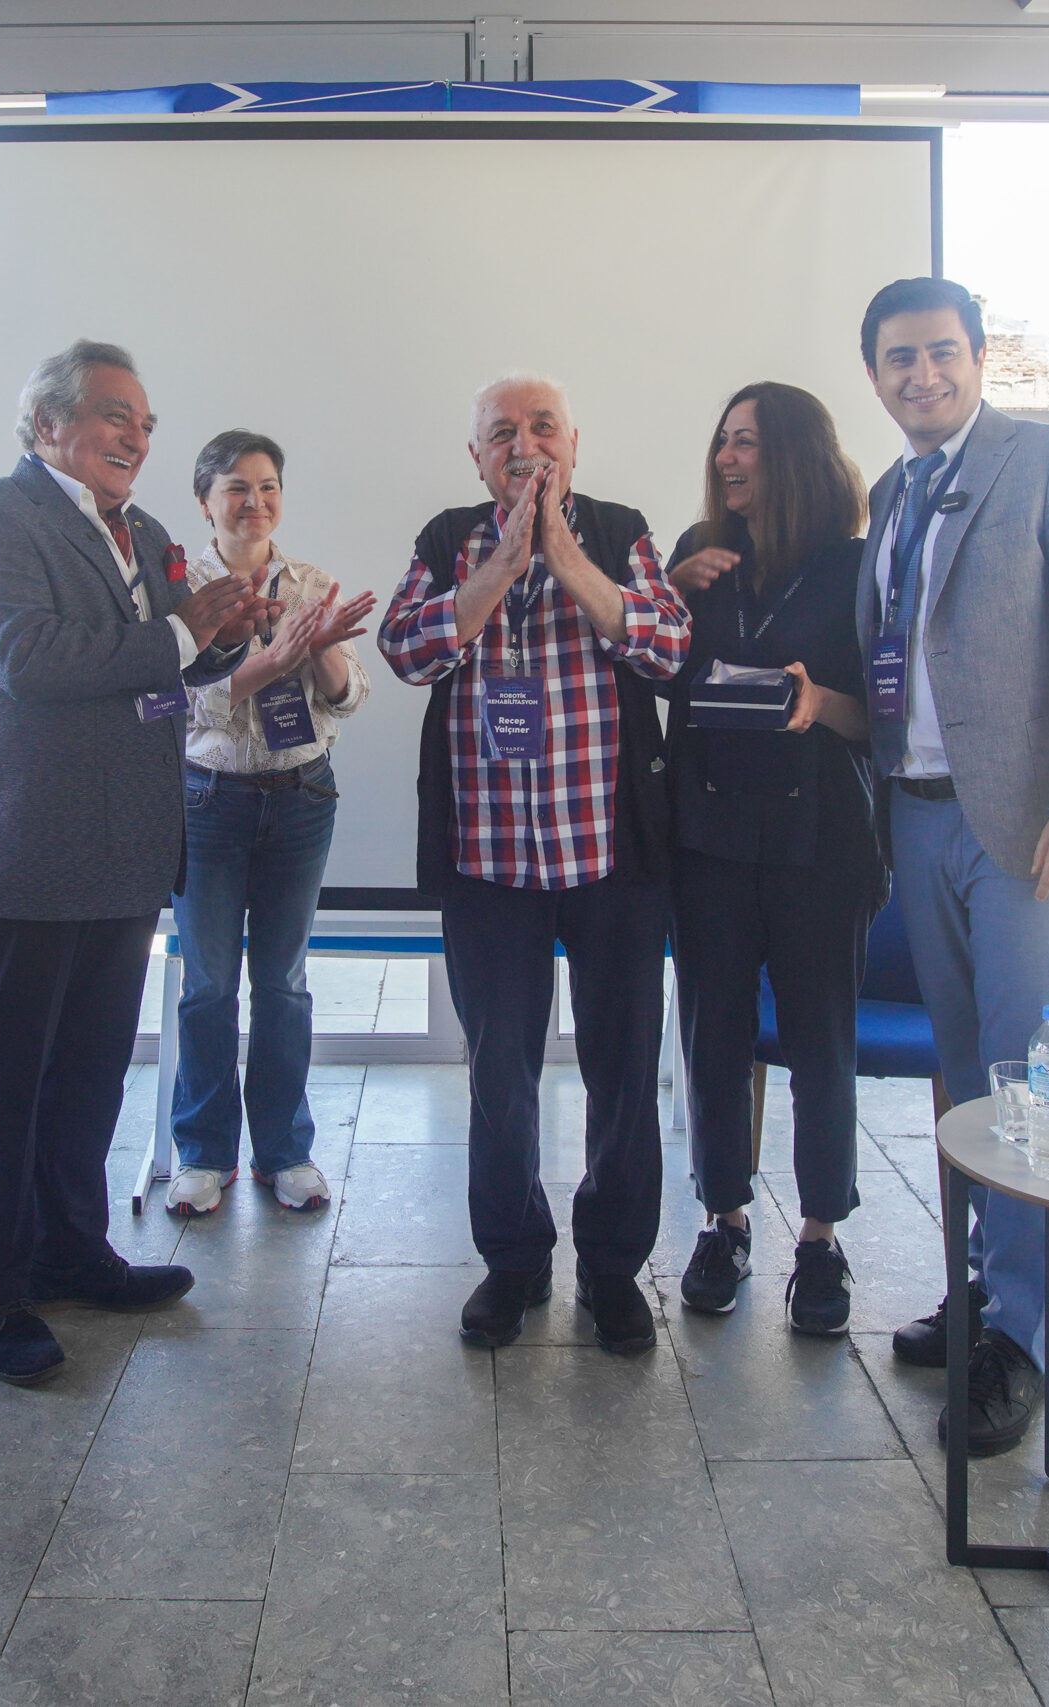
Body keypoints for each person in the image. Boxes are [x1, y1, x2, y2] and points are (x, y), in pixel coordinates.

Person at [0, 340, 273, 1386]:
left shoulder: (148, 532)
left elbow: (164, 670)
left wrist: (225, 633)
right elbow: (27, 659)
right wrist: (184, 633)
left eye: (146, 423)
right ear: (48, 424)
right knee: (6, 1087)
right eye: (116, 416)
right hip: (22, 848)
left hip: (124, 848)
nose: (138, 437)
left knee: (86, 1077)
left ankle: (72, 1255)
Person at [854, 278, 1049, 1456]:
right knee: (971, 1075)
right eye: (898, 358)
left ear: (979, 358)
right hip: (918, 815)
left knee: (1034, 1080)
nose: (920, 374)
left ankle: (1022, 1337)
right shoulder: (891, 495)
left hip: (1031, 827)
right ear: (873, 375)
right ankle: (983, 1289)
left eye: (940, 352)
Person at [379, 373, 692, 1355]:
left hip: (613, 858)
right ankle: (513, 1259)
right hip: (489, 861)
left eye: (542, 427)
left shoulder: (620, 529)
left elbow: (669, 649)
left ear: (572, 444)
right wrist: (498, 570)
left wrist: (564, 556)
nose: (525, 445)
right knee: (500, 1078)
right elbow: (406, 650)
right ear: (476, 457)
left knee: (622, 1073)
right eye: (502, 432)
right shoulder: (446, 539)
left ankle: (613, 1266)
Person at [659, 382, 880, 1335]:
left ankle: (821, 1238)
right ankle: (724, 1221)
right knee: (711, 1038)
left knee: (821, 1044)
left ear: (793, 452)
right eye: (722, 441)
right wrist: (669, 594)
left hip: (817, 841)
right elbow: (652, 670)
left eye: (746, 441)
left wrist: (819, 702)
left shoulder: (856, 567)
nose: (726, 458)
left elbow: (883, 719)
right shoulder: (697, 554)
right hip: (707, 836)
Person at [166, 430, 376, 1218]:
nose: (254, 502)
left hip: (301, 796)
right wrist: (264, 664)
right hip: (207, 801)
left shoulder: (312, 582)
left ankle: (284, 1151)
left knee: (283, 984)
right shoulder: (181, 593)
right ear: (204, 502)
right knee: (208, 985)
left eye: (267, 487)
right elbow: (172, 705)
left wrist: (319, 651)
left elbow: (349, 698)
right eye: (236, 488)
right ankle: (203, 1153)